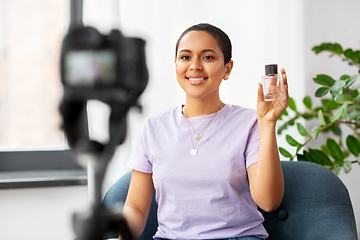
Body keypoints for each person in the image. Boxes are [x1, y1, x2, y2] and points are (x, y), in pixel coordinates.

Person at [120, 23, 288, 240]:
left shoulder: (250, 122)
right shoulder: (153, 128)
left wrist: (268, 124)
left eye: (208, 57)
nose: (195, 66)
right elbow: (135, 207)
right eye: (186, 57)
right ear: (176, 65)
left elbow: (268, 201)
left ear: (227, 68)